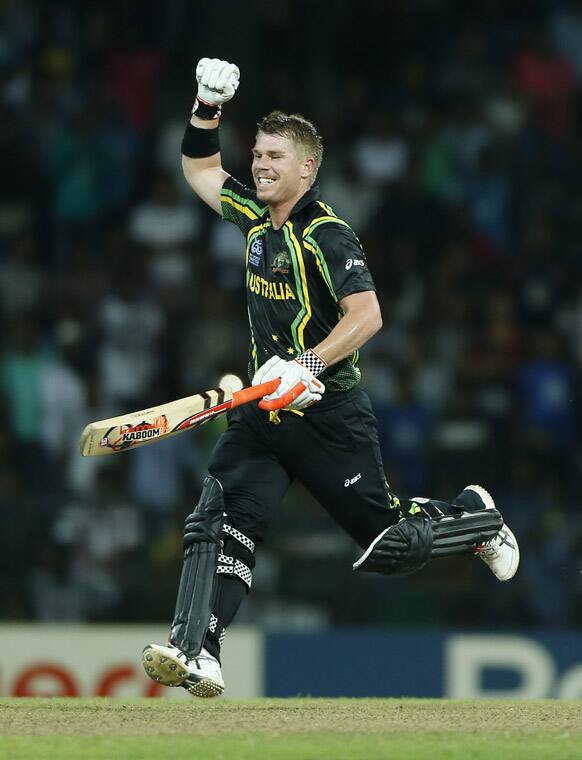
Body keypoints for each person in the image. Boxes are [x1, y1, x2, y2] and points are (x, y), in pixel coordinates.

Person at [142, 58, 519, 698]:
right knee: (219, 519)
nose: (260, 165)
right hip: (263, 414)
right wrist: (207, 105)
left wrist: (309, 364)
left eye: (275, 157)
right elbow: (201, 169)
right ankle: (197, 651)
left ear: (306, 168)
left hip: (329, 417)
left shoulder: (327, 233)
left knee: (390, 544)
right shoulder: (254, 217)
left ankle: (475, 519)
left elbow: (368, 314)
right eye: (258, 153)